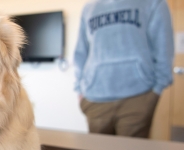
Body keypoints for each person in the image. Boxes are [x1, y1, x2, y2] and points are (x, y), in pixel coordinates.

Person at [74, 0, 174, 138]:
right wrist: (79, 89)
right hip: (95, 98)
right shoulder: (89, 8)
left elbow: (164, 49)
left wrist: (157, 89)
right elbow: (81, 52)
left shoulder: (153, 3)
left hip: (138, 96)